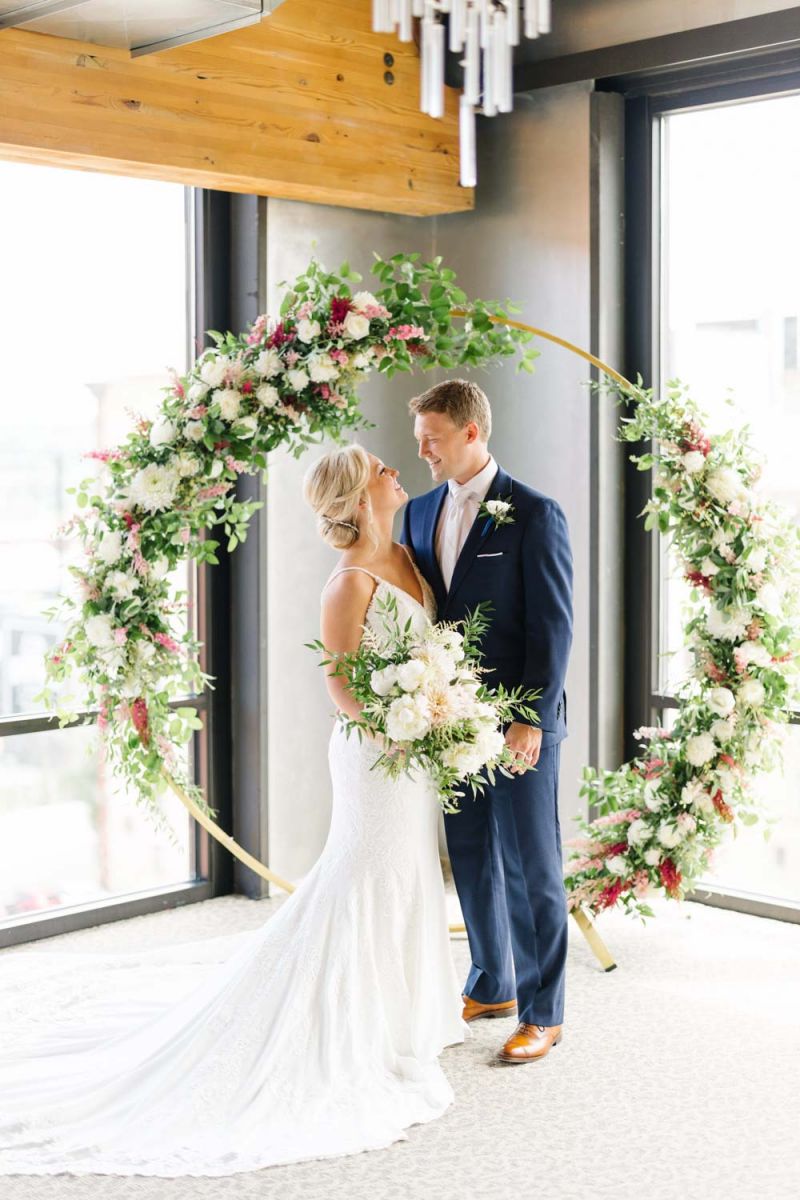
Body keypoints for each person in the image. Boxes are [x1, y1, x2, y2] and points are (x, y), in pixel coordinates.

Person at [0, 444, 465, 1177]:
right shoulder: (347, 584)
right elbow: (342, 688)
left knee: (407, 873)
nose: (393, 471)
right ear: (356, 493)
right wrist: (400, 724)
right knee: (363, 876)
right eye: (380, 467)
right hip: (377, 755)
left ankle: (402, 1015)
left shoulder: (409, 555)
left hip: (414, 757)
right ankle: (346, 1022)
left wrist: (436, 712)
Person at [402, 379, 574, 1065]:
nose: (423, 453)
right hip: (448, 719)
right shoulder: (415, 514)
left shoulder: (534, 513)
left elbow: (553, 627)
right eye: (419, 440)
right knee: (469, 854)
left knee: (531, 863)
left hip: (518, 723)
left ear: (473, 432)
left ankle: (543, 1011)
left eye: (433, 439)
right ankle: (492, 981)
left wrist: (529, 719)